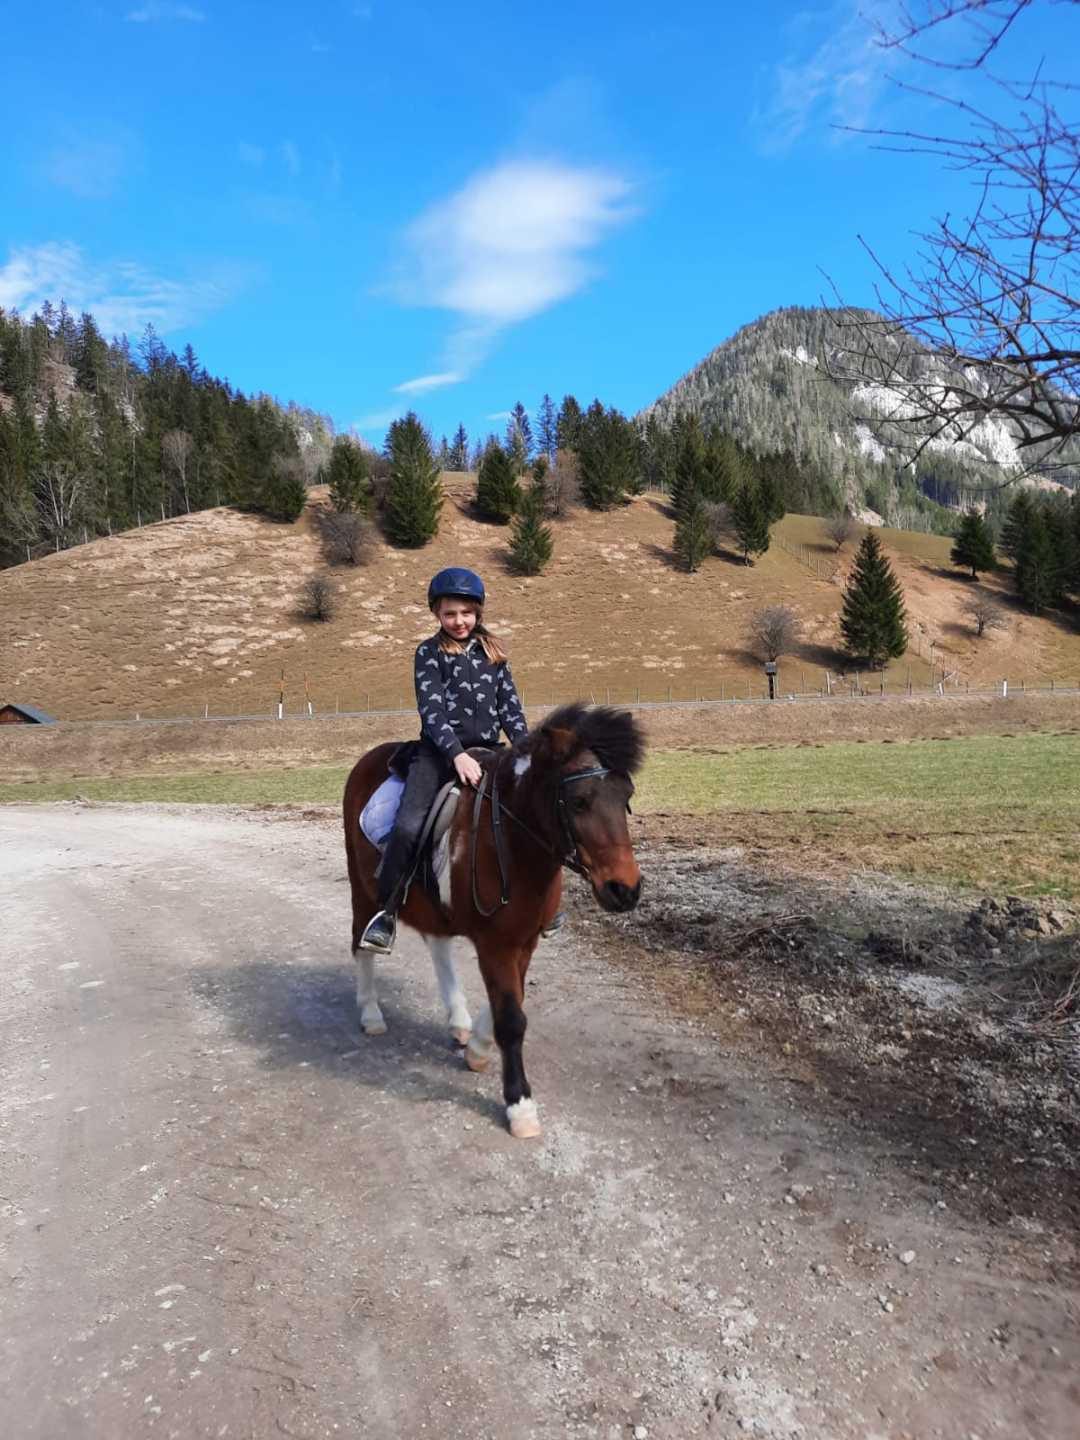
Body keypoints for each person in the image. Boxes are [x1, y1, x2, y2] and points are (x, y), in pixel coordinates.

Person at [359, 567, 529, 953]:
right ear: (437, 614)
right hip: (437, 754)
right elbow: (432, 713)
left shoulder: (495, 654)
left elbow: (512, 713)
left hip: (489, 752)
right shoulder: (428, 653)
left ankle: (536, 899)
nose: (459, 621)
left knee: (532, 812)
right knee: (407, 827)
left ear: (478, 612)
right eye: (450, 613)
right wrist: (456, 756)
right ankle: (386, 913)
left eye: (466, 613)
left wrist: (529, 753)